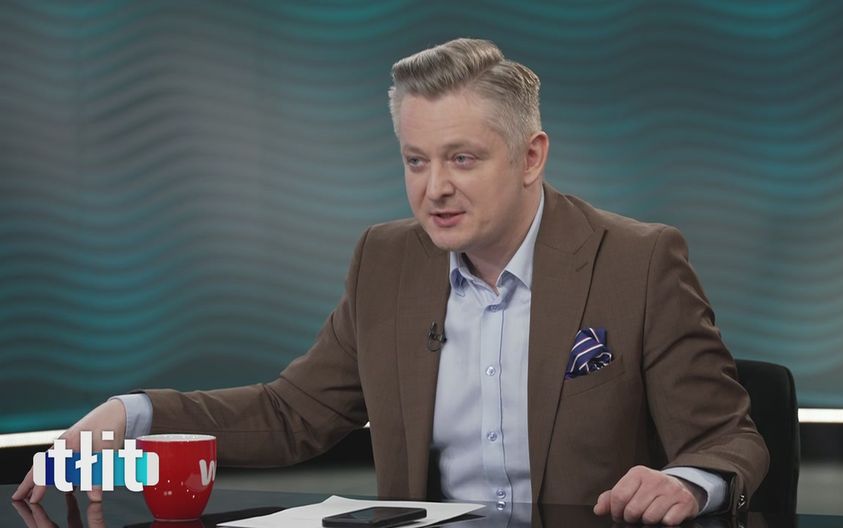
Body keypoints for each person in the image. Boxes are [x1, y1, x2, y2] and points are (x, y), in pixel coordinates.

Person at [14, 38, 768, 526]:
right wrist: (136, 411)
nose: (434, 188)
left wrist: (687, 482)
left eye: (462, 158)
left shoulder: (637, 261)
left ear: (531, 157)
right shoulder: (386, 261)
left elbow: (728, 437)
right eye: (415, 161)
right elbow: (292, 414)